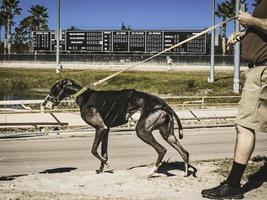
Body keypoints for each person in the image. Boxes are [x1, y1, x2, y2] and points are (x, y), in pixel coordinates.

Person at [201, 0, 267, 199]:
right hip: (259, 69)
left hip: (262, 71)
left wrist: (250, 20)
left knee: (244, 125)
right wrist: (244, 35)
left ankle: (233, 186)